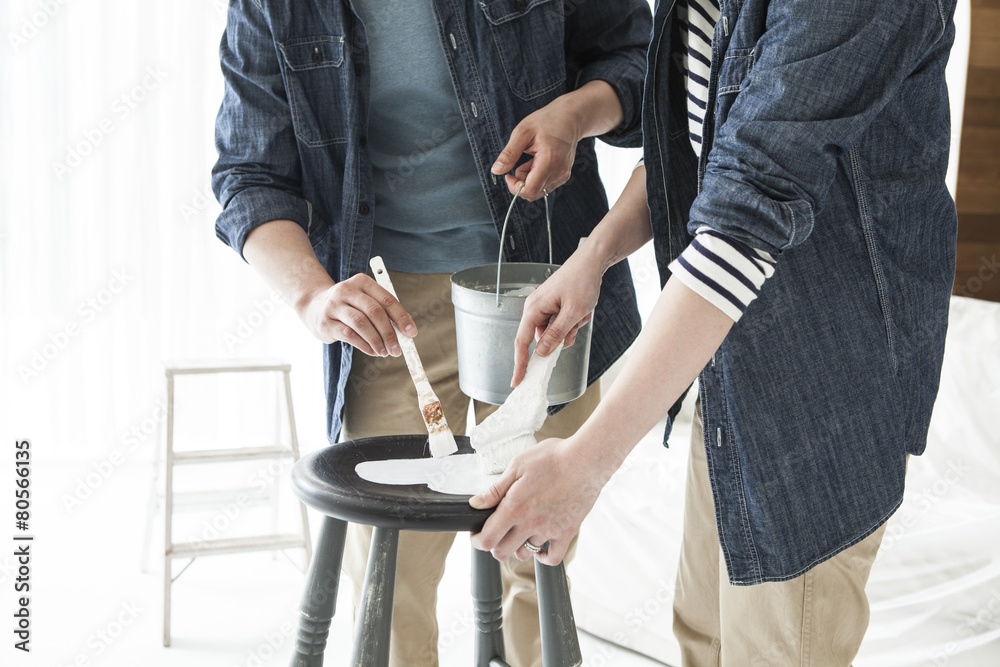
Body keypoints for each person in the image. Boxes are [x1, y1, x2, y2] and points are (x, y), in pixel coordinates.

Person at [470, 0, 959, 664]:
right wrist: (592, 257)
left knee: (773, 649)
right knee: (703, 638)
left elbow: (745, 212)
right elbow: (703, 149)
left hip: (827, 390)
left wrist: (586, 463)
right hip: (730, 367)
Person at [211, 1, 652, 665]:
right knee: (388, 596)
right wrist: (312, 294)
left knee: (536, 571)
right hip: (391, 317)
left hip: (545, 292)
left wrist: (575, 113)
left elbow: (645, 72)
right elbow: (249, 175)